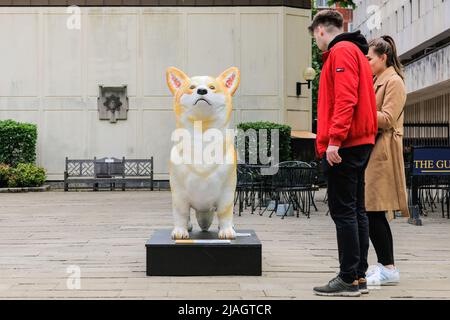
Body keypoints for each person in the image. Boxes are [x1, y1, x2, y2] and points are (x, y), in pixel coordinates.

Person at [308, 10, 378, 297]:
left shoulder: (341, 52)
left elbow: (345, 98)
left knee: (344, 211)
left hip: (345, 144)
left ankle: (348, 277)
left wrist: (334, 141)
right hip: (357, 141)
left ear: (321, 30)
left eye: (314, 37)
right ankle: (358, 275)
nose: (316, 42)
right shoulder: (355, 52)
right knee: (356, 209)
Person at [364, 35, 409, 286]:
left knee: (375, 211)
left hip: (383, 152)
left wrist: (360, 112)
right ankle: (385, 265)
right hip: (375, 150)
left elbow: (388, 118)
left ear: (383, 57)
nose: (366, 62)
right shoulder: (379, 80)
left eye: (369, 58)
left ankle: (389, 267)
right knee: (372, 211)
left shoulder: (394, 82)